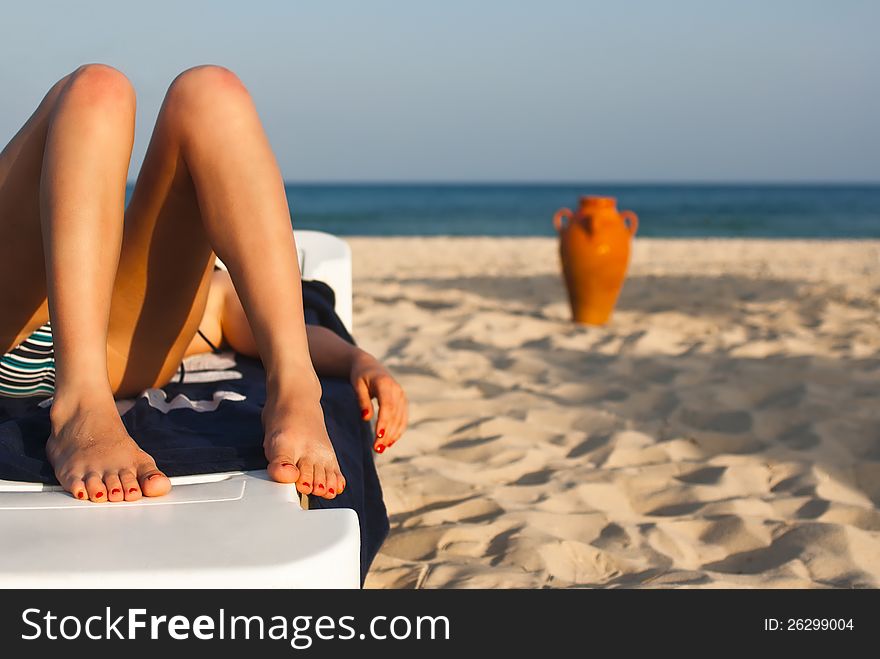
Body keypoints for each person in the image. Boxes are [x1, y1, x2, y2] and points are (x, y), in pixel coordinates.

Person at [0, 63, 407, 504]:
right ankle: (81, 405)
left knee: (210, 90)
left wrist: (353, 358)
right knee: (97, 90)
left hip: (118, 352)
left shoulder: (197, 299)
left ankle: (295, 388)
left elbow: (239, 311)